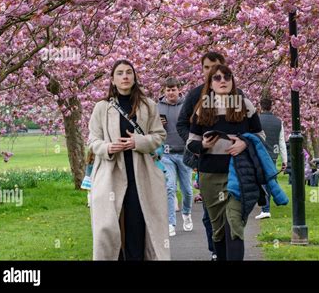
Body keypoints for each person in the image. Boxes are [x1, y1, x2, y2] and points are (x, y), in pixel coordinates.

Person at [88, 59, 169, 260]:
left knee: (137, 225)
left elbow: (159, 135)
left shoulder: (148, 105)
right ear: (113, 80)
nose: (125, 76)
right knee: (108, 226)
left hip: (141, 175)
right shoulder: (101, 107)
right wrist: (108, 147)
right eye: (120, 73)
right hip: (110, 174)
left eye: (129, 72)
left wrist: (138, 142)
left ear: (134, 78)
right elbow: (92, 139)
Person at [186, 64, 264, 261]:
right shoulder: (203, 108)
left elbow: (260, 135)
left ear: (232, 80)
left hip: (239, 173)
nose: (223, 81)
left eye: (227, 77)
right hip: (210, 174)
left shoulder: (245, 105)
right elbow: (191, 143)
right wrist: (203, 144)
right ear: (210, 84)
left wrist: (245, 143)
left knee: (234, 222)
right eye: (217, 78)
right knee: (218, 227)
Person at [176, 51, 239, 260]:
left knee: (233, 212)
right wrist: (197, 144)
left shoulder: (237, 95)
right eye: (207, 67)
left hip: (233, 163)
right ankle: (215, 250)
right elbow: (182, 124)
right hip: (204, 162)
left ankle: (231, 251)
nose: (212, 71)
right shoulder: (195, 95)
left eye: (216, 66)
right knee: (210, 214)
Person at [158, 77, 193, 237]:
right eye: (168, 90)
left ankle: (186, 213)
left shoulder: (186, 106)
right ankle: (171, 223)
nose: (171, 93)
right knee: (170, 187)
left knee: (187, 191)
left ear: (179, 90)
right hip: (166, 155)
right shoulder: (158, 107)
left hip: (184, 154)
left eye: (173, 90)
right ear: (164, 91)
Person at [254, 98, 287, 220]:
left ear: (260, 107)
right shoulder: (278, 122)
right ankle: (278, 199)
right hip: (273, 154)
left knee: (263, 181)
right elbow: (281, 142)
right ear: (271, 107)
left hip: (259, 154)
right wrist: (285, 160)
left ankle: (266, 209)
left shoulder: (257, 120)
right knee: (269, 179)